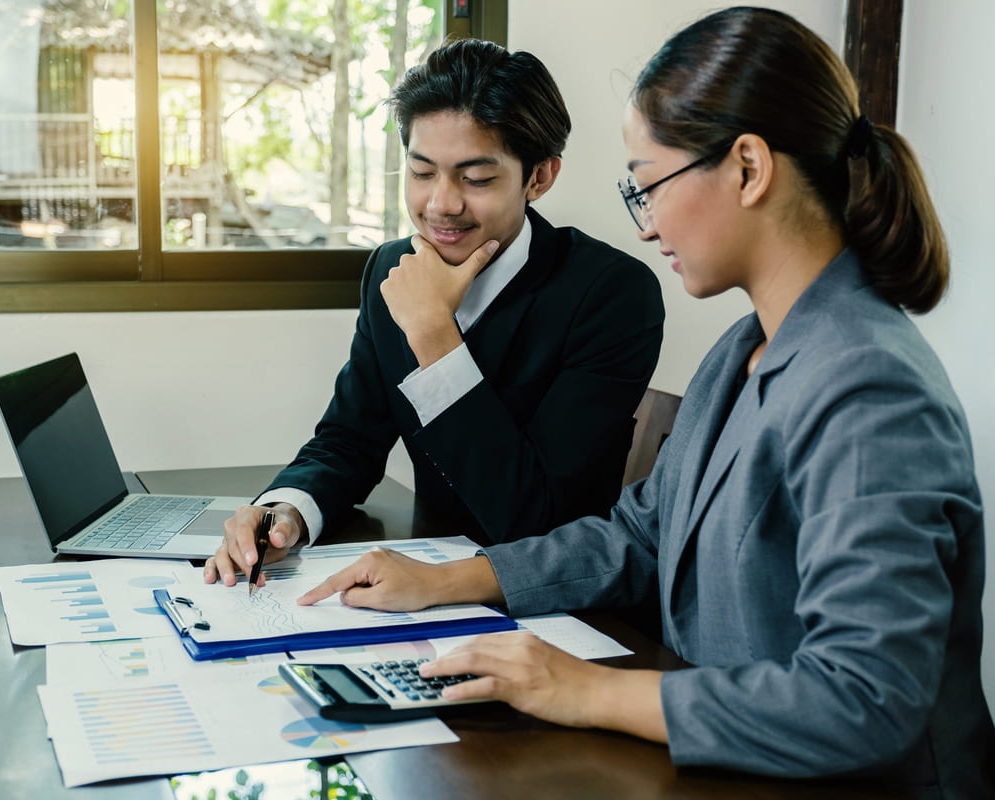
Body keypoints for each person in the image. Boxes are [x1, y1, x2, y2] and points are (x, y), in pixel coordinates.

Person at [297, 8, 995, 796]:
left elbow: (864, 698)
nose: (646, 221)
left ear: (748, 168)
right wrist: (452, 579)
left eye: (650, 184)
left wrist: (585, 688)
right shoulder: (744, 348)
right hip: (737, 762)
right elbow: (639, 536)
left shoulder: (869, 382)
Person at [204, 39, 664, 586]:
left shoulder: (611, 293)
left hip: (549, 606)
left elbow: (540, 521)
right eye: (422, 173)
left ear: (539, 177)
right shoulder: (392, 268)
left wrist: (432, 334)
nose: (441, 204)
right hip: (419, 579)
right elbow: (349, 439)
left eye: (476, 179)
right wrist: (287, 517)